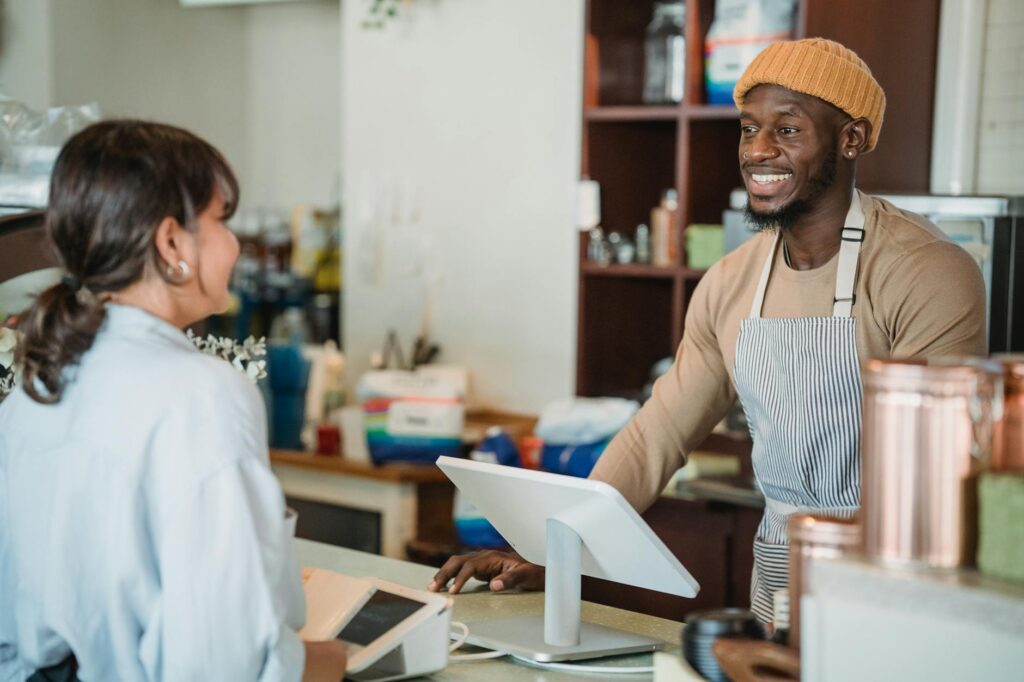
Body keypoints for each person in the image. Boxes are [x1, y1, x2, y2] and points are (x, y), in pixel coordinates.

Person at [429, 38, 987, 624]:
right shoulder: (730, 282)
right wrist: (550, 551)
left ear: (850, 139)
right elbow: (657, 436)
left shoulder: (924, 271)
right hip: (779, 575)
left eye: (788, 130)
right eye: (749, 129)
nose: (758, 151)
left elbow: (937, 475)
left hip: (900, 580)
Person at [0, 121, 347, 681]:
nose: (235, 244)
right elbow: (221, 666)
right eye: (221, 221)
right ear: (171, 243)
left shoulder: (34, 389)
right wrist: (329, 664)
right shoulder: (201, 394)